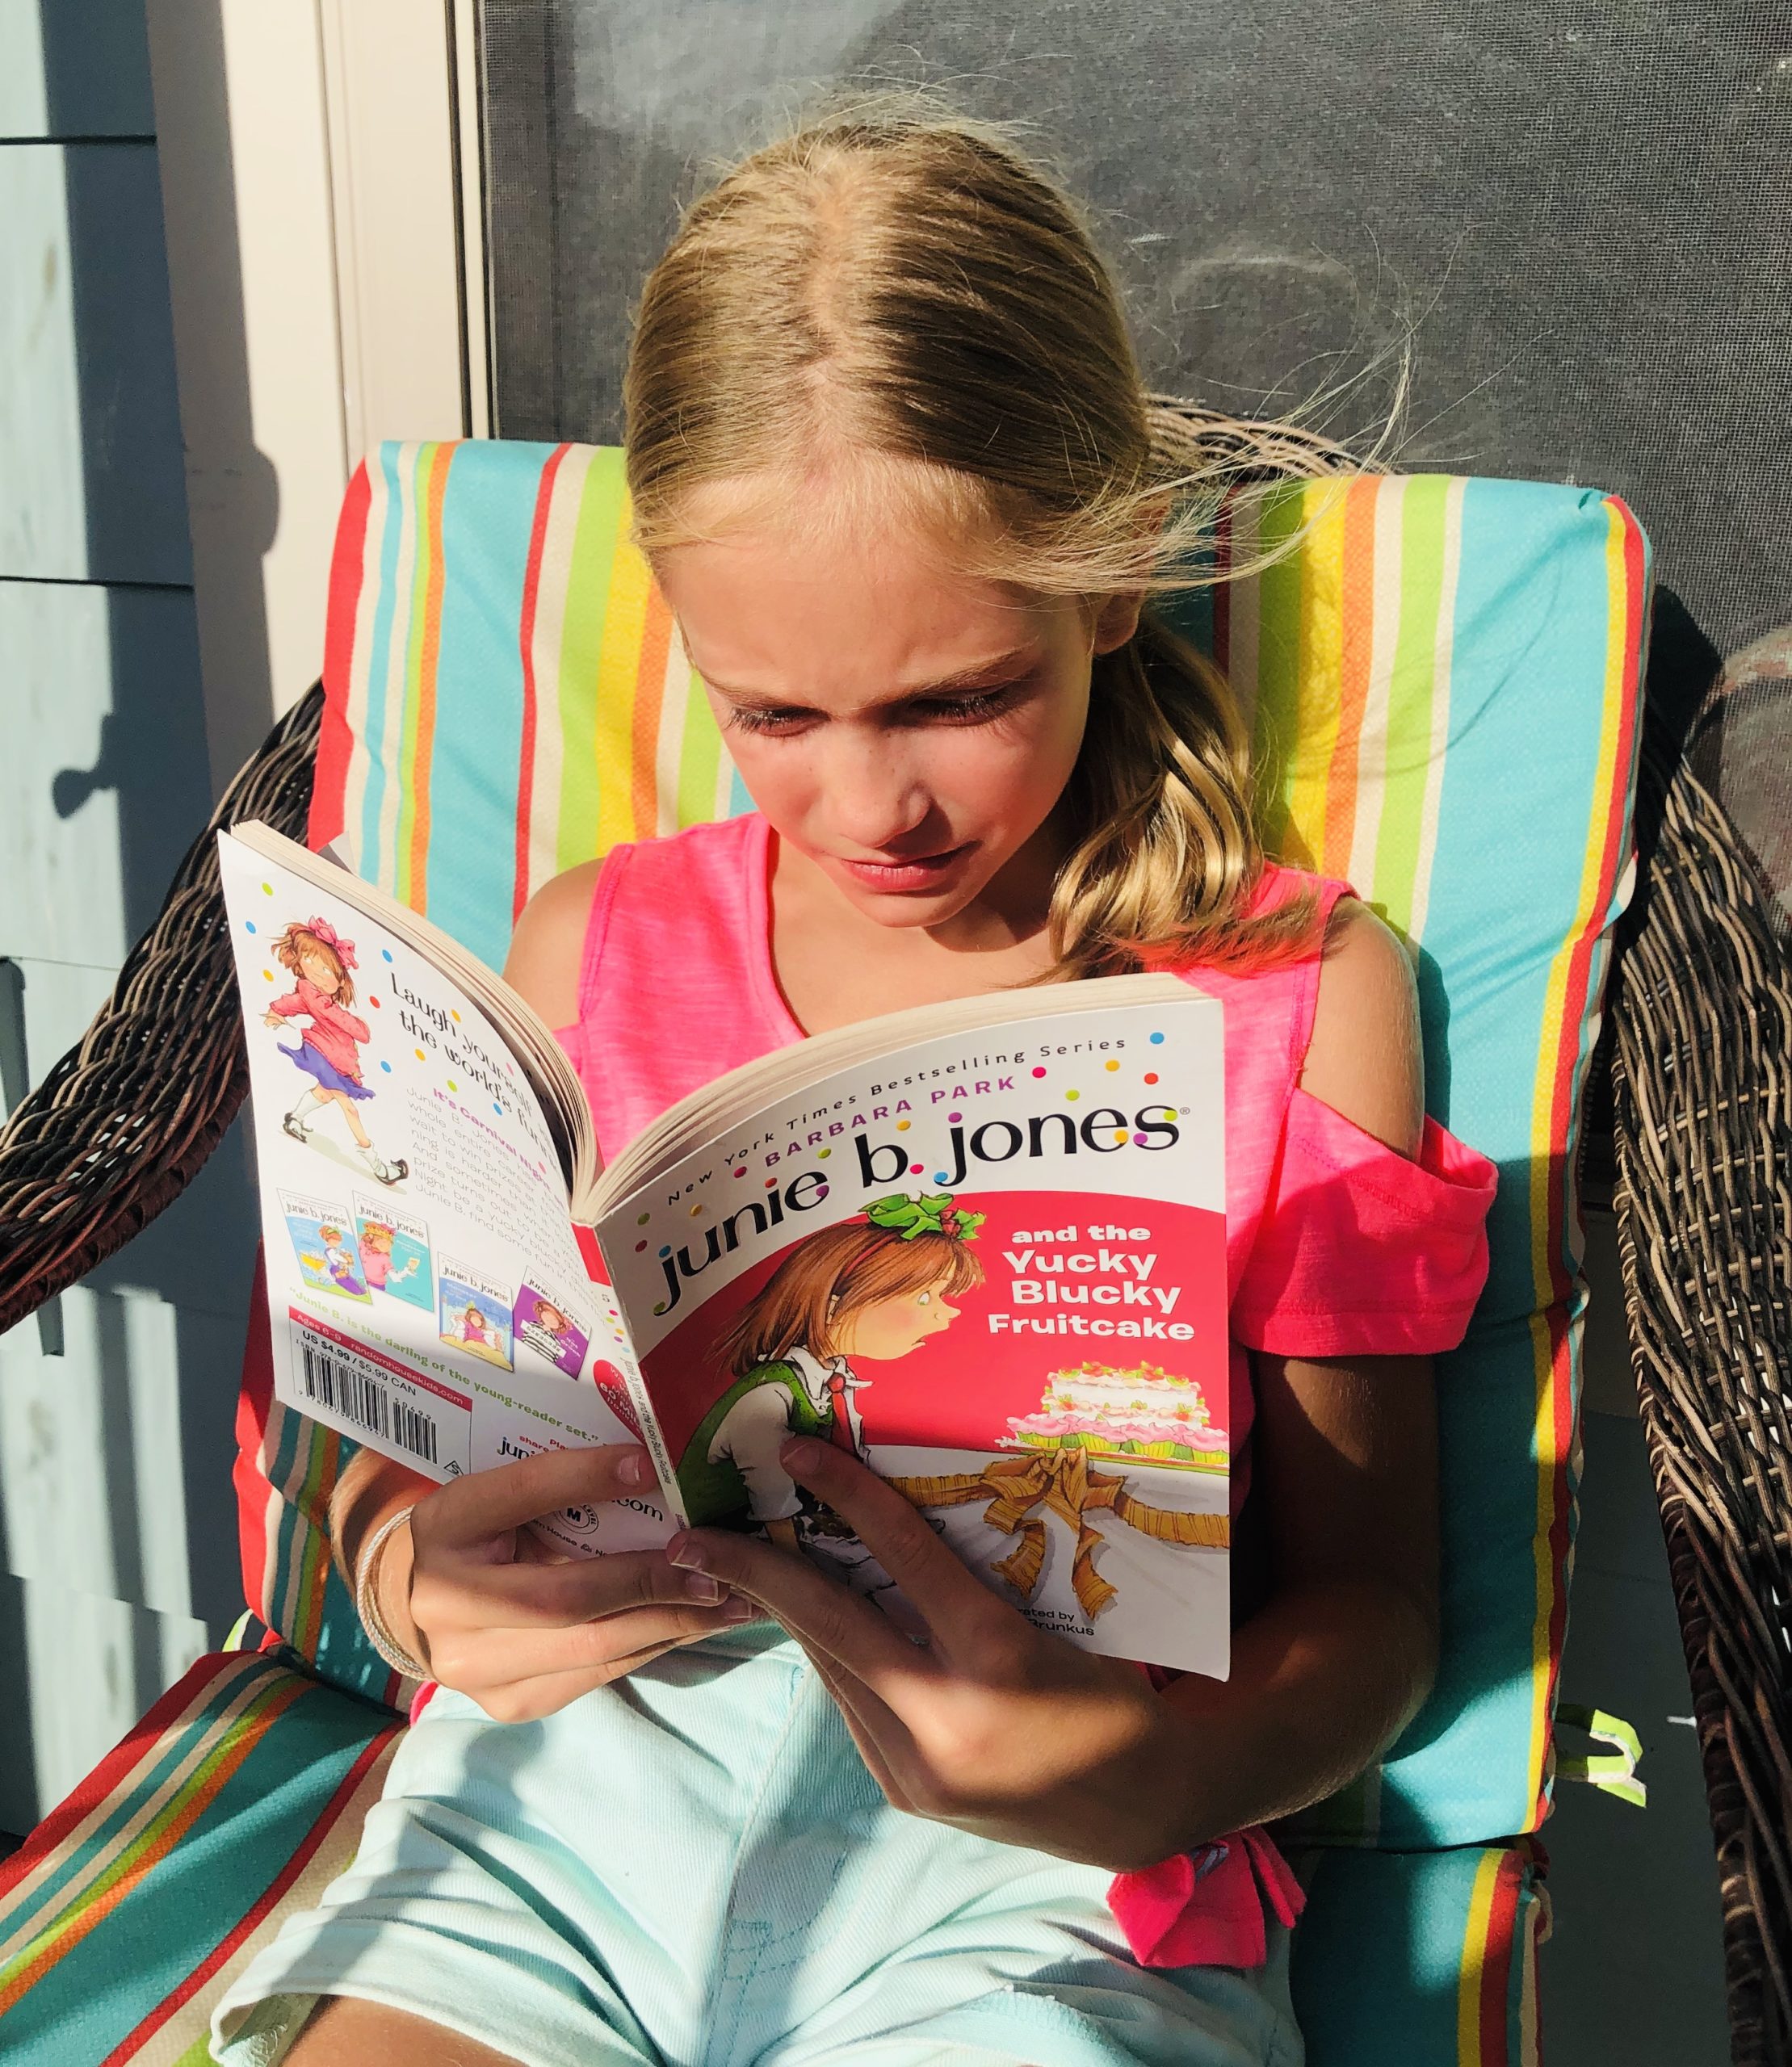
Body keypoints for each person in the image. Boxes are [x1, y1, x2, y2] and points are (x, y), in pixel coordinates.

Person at [212, 97, 1496, 2067]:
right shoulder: (589, 944)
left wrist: (1149, 1779)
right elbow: (449, 1459)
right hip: (558, 1817)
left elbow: (1377, 1604)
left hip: (1044, 1873)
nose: (870, 802)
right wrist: (408, 1577)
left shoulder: (1296, 989)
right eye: (773, 713)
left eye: (961, 699)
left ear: (1110, 581)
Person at [264, 918, 408, 1185]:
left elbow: (293, 1002)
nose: (317, 973)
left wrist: (276, 1009)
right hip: (324, 1053)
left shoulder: (311, 994)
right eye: (309, 961)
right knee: (349, 1108)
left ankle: (294, 1119)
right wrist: (361, 1029)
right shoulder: (319, 1000)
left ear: (341, 980)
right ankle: (378, 1166)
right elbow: (347, 1024)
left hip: (333, 1057)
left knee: (324, 1094)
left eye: (327, 970)